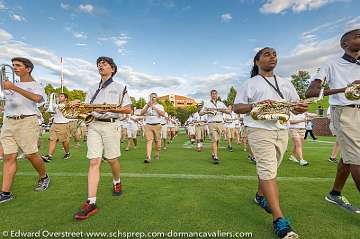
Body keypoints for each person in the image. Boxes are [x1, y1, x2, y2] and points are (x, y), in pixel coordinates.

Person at [234, 47, 308, 239]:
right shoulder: (249, 83)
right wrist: (256, 105)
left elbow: (296, 107)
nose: (272, 56)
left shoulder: (285, 83)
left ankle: (260, 196)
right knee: (268, 169)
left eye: (274, 54)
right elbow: (237, 107)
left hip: (282, 129)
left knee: (270, 168)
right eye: (267, 54)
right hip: (259, 130)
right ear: (257, 61)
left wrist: (300, 107)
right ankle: (279, 219)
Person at [305, 29, 360, 213]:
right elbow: (310, 92)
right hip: (344, 112)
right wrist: (345, 89)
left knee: (348, 156)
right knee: (357, 158)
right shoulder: (331, 63)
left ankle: (335, 193)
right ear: (345, 44)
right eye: (358, 35)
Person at [74, 56, 131, 220]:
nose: (100, 65)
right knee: (94, 161)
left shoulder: (121, 87)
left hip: (111, 125)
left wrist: (109, 109)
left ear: (112, 69)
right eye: (99, 64)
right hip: (93, 125)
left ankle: (116, 180)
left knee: (112, 160)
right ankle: (91, 202)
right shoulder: (92, 88)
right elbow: (86, 109)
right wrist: (78, 105)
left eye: (104, 63)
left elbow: (128, 110)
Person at [0, 57, 50, 204]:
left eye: (18, 65)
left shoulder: (36, 84)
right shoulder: (10, 85)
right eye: (13, 65)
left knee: (30, 155)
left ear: (28, 69)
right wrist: (8, 88)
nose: (14, 67)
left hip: (27, 121)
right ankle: (5, 193)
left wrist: (13, 87)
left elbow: (37, 98)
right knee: (9, 157)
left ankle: (44, 176)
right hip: (9, 122)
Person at [200, 90, 230, 164]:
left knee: (218, 140)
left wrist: (221, 110)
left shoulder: (221, 103)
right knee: (214, 139)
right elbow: (200, 113)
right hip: (211, 123)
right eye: (213, 94)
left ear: (217, 95)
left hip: (220, 123)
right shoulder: (207, 103)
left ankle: (213, 153)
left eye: (215, 94)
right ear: (210, 95)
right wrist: (207, 111)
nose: (214, 95)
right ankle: (216, 157)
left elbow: (229, 111)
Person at [42, 93, 71, 162]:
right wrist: (47, 105)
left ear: (66, 98)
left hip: (63, 124)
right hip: (54, 123)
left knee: (64, 141)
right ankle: (49, 156)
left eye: (61, 96)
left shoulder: (66, 105)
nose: (59, 97)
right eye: (58, 96)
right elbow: (45, 111)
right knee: (52, 139)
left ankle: (67, 153)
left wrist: (52, 104)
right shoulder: (55, 105)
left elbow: (61, 107)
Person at [140, 93, 165, 163]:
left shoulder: (160, 106)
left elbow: (163, 114)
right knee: (149, 141)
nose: (152, 99)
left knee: (157, 141)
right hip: (148, 125)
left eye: (154, 97)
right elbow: (141, 113)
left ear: (156, 98)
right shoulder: (146, 105)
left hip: (157, 125)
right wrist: (147, 106)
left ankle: (157, 154)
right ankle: (148, 157)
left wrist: (154, 108)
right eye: (151, 97)